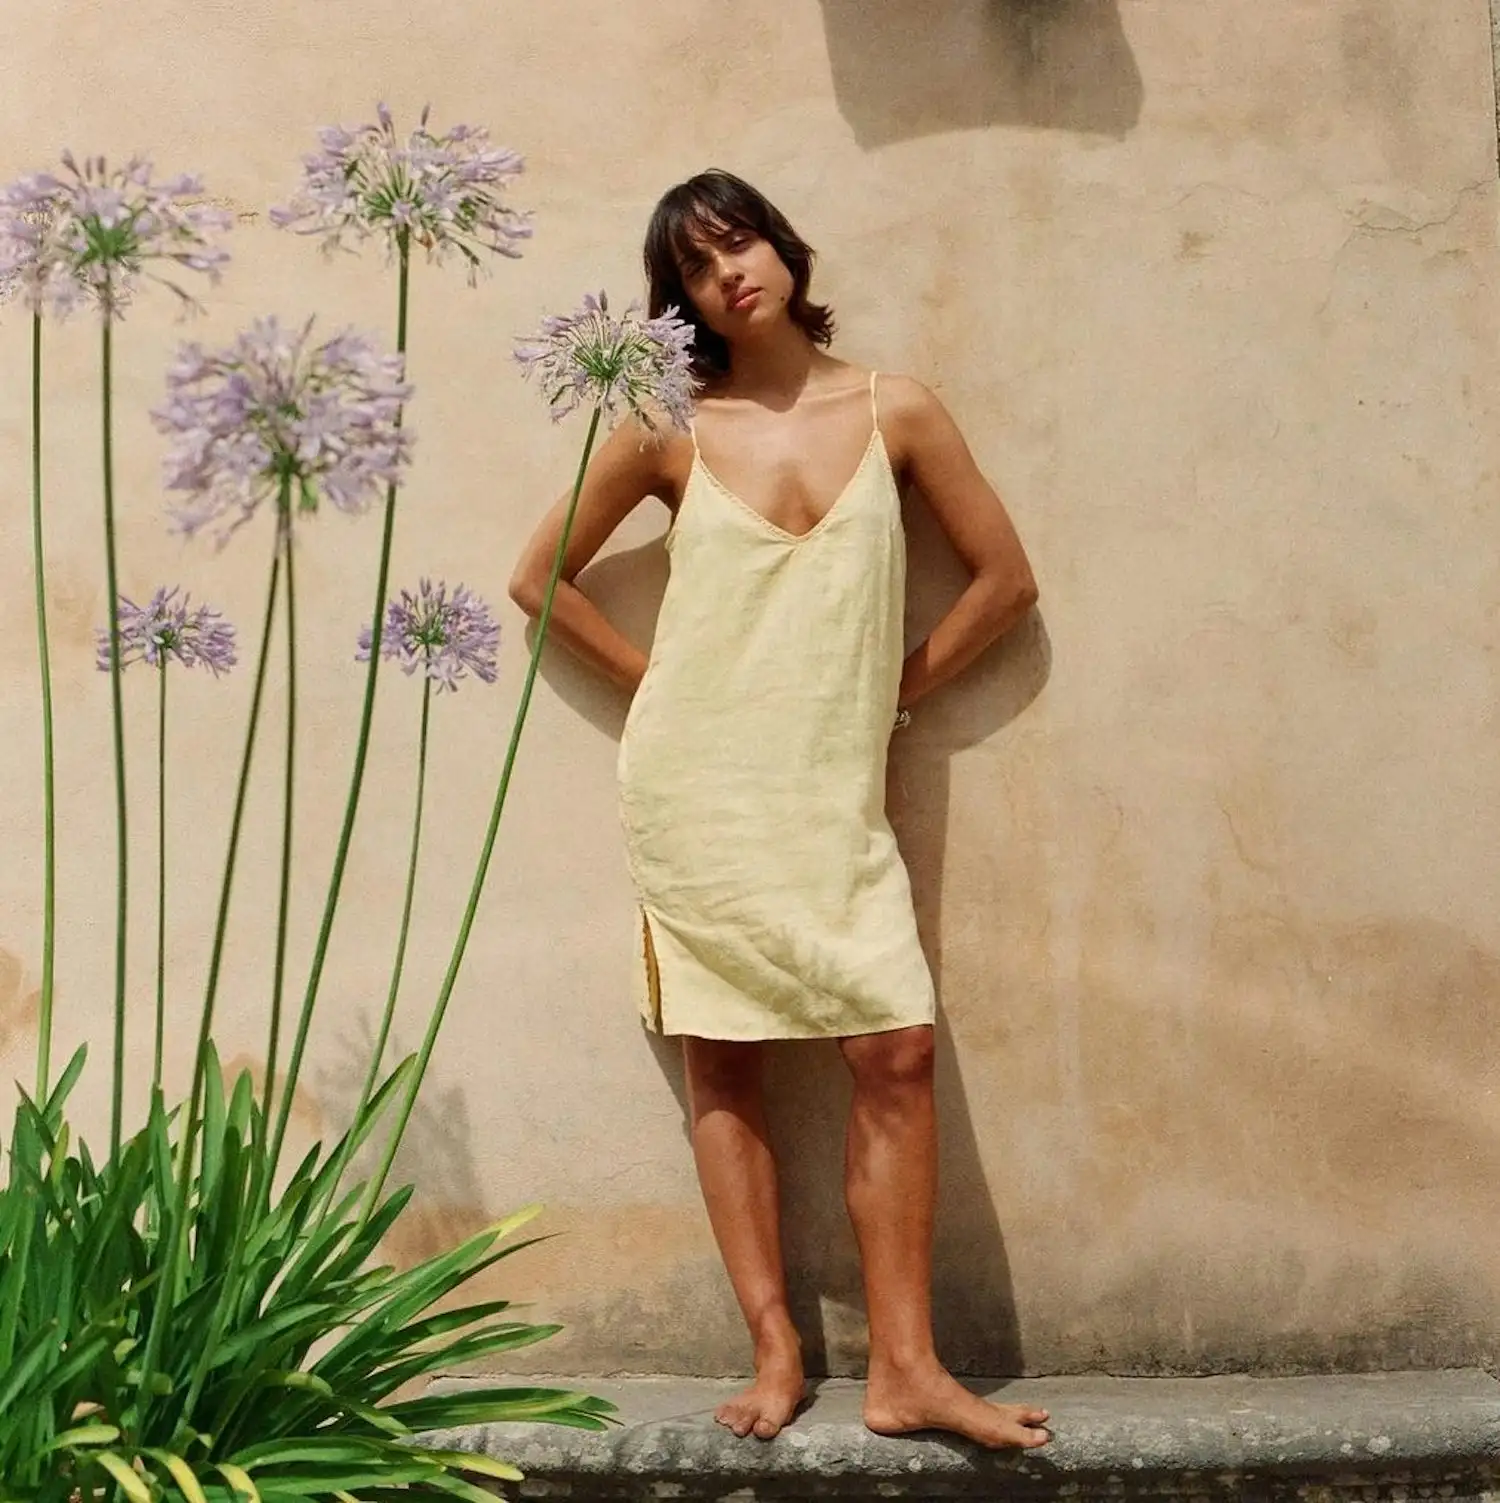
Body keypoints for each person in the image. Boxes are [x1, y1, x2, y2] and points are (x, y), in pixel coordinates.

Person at [509, 170, 1045, 1449]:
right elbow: (539, 581)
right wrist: (663, 688)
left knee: (894, 1050)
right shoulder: (667, 428)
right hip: (701, 787)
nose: (727, 276)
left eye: (738, 243)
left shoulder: (897, 409)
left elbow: (1005, 582)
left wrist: (889, 694)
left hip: (831, 794)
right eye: (695, 269)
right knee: (725, 1055)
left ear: (784, 248)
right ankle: (776, 1350)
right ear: (680, 302)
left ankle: (906, 1368)